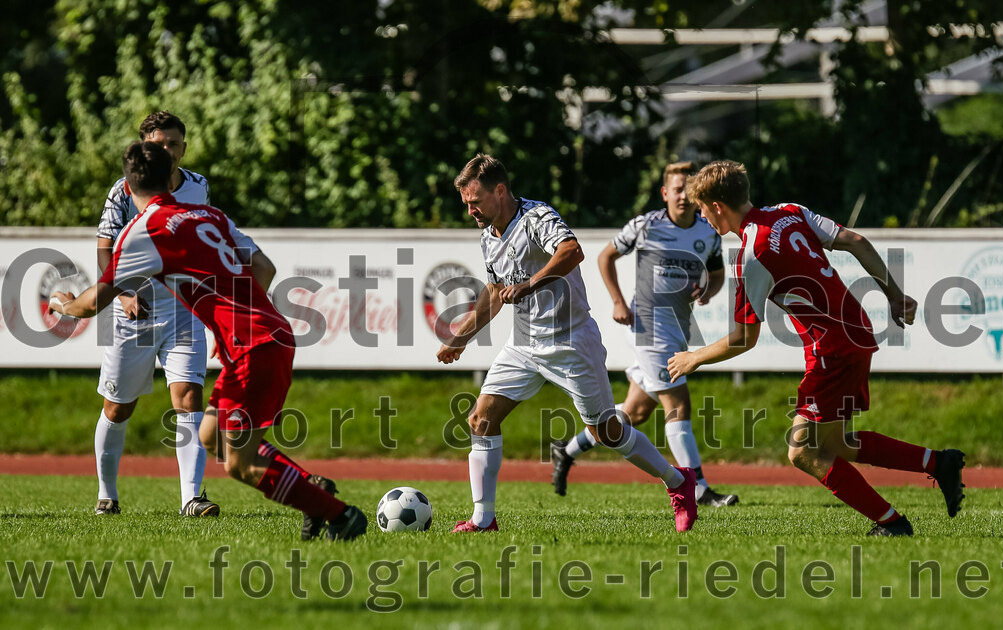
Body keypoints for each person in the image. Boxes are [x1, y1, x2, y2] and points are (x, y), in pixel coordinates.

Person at [51, 141, 367, 541]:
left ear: (128, 189)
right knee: (211, 436)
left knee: (238, 462)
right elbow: (263, 267)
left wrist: (64, 304)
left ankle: (341, 516)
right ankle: (314, 492)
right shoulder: (208, 213)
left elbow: (92, 304)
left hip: (254, 346)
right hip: (270, 334)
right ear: (171, 177)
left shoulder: (141, 231)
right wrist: (237, 316)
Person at [667, 160, 965, 536]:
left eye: (702, 210)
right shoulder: (788, 212)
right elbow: (855, 241)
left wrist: (694, 357)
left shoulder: (751, 254)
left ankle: (891, 522)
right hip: (854, 329)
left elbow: (744, 338)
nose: (703, 218)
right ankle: (938, 463)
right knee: (839, 443)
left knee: (802, 451)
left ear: (717, 207)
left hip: (833, 348)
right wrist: (893, 293)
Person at [437, 154, 699, 533]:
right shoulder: (488, 236)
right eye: (466, 204)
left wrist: (529, 283)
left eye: (475, 202)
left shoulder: (536, 216)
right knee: (480, 418)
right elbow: (494, 292)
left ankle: (679, 482)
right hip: (524, 344)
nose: (471, 211)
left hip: (571, 342)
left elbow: (572, 251)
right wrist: (460, 338)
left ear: (500, 190)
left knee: (608, 431)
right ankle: (483, 518)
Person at [551, 162, 739, 507]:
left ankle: (567, 449)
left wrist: (710, 289)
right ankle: (698, 489)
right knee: (678, 403)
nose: (682, 195)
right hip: (648, 327)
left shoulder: (707, 231)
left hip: (677, 327)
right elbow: (606, 256)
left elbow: (716, 271)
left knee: (635, 413)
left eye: (688, 188)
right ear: (665, 193)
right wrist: (619, 301)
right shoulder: (646, 226)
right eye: (676, 189)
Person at [93, 111, 216, 517]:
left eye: (175, 143)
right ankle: (106, 494)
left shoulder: (198, 187)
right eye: (159, 144)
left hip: (183, 311)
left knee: (188, 397)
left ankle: (191, 500)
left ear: (184, 146)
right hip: (136, 312)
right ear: (145, 148)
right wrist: (124, 293)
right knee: (119, 406)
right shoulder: (126, 189)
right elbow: (105, 245)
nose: (168, 150)